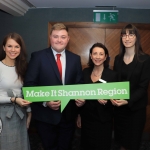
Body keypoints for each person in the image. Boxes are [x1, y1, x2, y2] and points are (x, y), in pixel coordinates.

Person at [24, 23, 84, 150]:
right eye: (55, 36)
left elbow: (79, 84)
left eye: (63, 37)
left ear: (68, 39)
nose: (59, 40)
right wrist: (45, 101)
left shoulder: (75, 59)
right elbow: (29, 86)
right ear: (50, 38)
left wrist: (80, 98)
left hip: (68, 116)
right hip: (45, 116)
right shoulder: (38, 57)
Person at [111, 24, 150, 150]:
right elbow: (116, 83)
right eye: (124, 35)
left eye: (131, 34)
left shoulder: (145, 59)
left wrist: (127, 100)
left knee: (132, 144)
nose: (127, 38)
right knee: (120, 142)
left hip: (136, 110)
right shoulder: (117, 59)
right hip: (119, 110)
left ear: (136, 37)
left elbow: (143, 87)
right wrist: (112, 96)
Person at [76, 43, 118, 150]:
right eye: (95, 53)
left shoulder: (112, 75)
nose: (98, 57)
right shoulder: (85, 72)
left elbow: (117, 97)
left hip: (103, 120)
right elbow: (80, 93)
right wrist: (79, 115)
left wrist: (107, 99)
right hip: (87, 119)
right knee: (86, 146)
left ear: (105, 57)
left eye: (101, 54)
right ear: (90, 56)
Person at [0, 33, 31, 150]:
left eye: (17, 46)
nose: (13, 50)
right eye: (9, 46)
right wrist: (13, 99)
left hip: (20, 115)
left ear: (21, 49)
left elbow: (25, 92)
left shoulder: (23, 67)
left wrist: (29, 113)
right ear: (4, 47)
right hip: (3, 116)